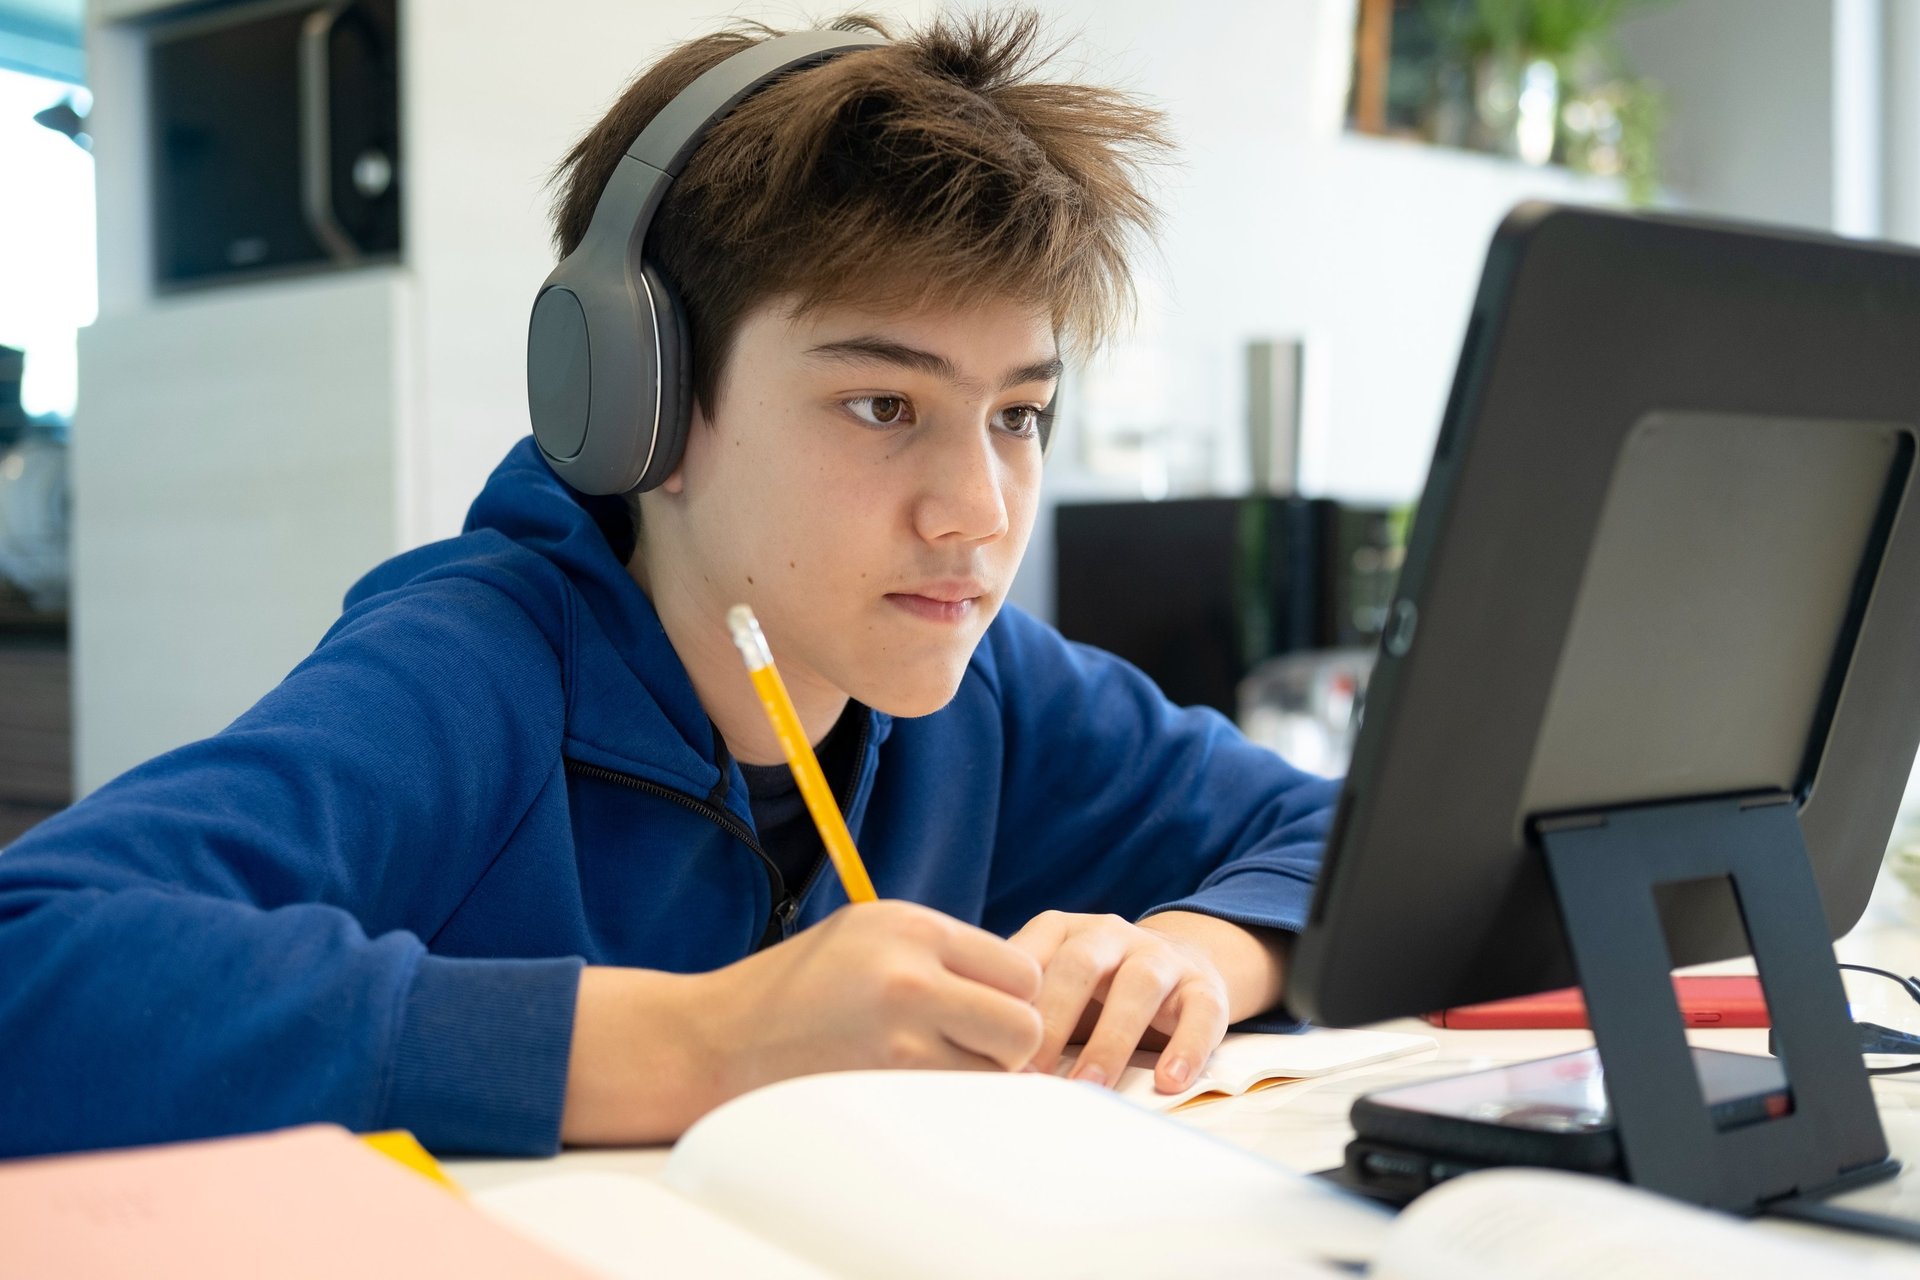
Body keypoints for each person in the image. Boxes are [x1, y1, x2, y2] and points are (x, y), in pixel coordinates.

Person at [0, 9, 1336, 1158]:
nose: (977, 513)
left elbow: (1367, 840)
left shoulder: (986, 690)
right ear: (639, 405)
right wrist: (704, 1040)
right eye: (883, 403)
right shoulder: (478, 672)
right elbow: (34, 963)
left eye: (1019, 416)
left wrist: (1191, 955)